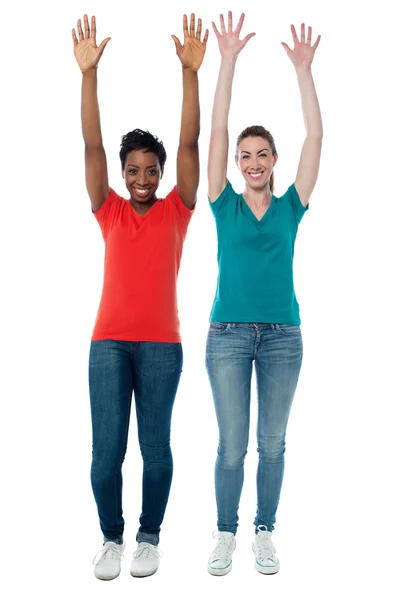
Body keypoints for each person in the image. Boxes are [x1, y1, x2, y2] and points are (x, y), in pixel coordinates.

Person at [72, 13, 208, 580]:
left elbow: (189, 141)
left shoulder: (179, 208)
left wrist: (189, 73)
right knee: (106, 459)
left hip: (160, 347)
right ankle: (111, 536)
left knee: (156, 451)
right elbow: (92, 143)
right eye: (136, 171)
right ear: (125, 175)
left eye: (152, 170)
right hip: (107, 345)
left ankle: (149, 536)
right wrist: (88, 75)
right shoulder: (110, 211)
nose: (145, 178)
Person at [205, 12, 322, 575]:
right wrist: (227, 60)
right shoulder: (222, 202)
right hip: (226, 335)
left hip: (282, 337)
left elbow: (316, 136)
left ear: (274, 162)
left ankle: (264, 530)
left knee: (271, 444)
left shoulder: (291, 206)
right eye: (245, 156)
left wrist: (304, 71)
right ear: (237, 165)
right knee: (233, 446)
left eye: (262, 155)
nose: (252, 162)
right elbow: (219, 127)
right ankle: (225, 532)